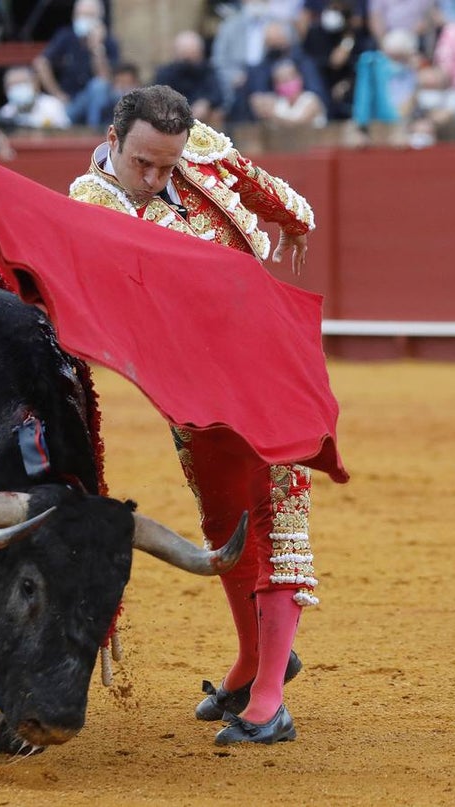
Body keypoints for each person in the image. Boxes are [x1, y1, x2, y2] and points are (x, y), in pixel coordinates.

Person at [68, 84, 317, 747]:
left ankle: (269, 700)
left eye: (167, 165)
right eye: (144, 163)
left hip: (268, 363)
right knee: (223, 521)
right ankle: (253, 659)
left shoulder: (195, 153)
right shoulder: (89, 207)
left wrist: (292, 221)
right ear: (114, 141)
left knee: (277, 512)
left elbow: (273, 194)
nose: (155, 178)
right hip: (194, 390)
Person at [32, 0, 121, 128]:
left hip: (101, 104)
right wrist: (57, 94)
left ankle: (93, 131)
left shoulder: (109, 42)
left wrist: (97, 48)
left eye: (89, 16)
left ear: (99, 20)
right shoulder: (65, 36)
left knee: (99, 86)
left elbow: (106, 79)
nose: (83, 19)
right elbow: (41, 63)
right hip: (70, 103)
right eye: (80, 15)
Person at [153, 30, 227, 131]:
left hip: (204, 122)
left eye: (193, 54)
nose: (189, 59)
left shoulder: (208, 71)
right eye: (185, 55)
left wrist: (206, 103)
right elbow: (158, 99)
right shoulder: (165, 74)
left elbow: (218, 94)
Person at [0, 64, 71, 131]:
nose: (18, 88)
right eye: (12, 85)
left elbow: (65, 132)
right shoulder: (6, 113)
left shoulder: (53, 105)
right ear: (5, 90)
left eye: (22, 83)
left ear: (35, 84)